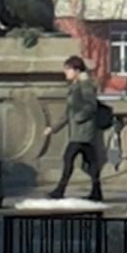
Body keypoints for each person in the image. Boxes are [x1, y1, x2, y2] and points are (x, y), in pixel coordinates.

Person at [45, 55, 103, 201]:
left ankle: (60, 190)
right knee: (91, 162)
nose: (66, 73)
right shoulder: (75, 85)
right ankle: (96, 192)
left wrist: (79, 118)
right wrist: (53, 128)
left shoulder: (85, 84)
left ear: (76, 70)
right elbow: (68, 112)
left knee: (69, 157)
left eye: (68, 69)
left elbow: (91, 105)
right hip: (78, 131)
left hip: (83, 131)